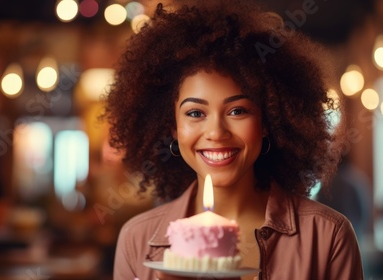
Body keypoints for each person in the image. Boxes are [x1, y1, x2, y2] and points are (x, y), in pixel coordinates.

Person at [103, 1, 363, 279]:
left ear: (267, 122)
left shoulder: (327, 237)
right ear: (173, 128)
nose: (216, 132)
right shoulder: (137, 240)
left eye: (237, 111)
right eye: (195, 113)